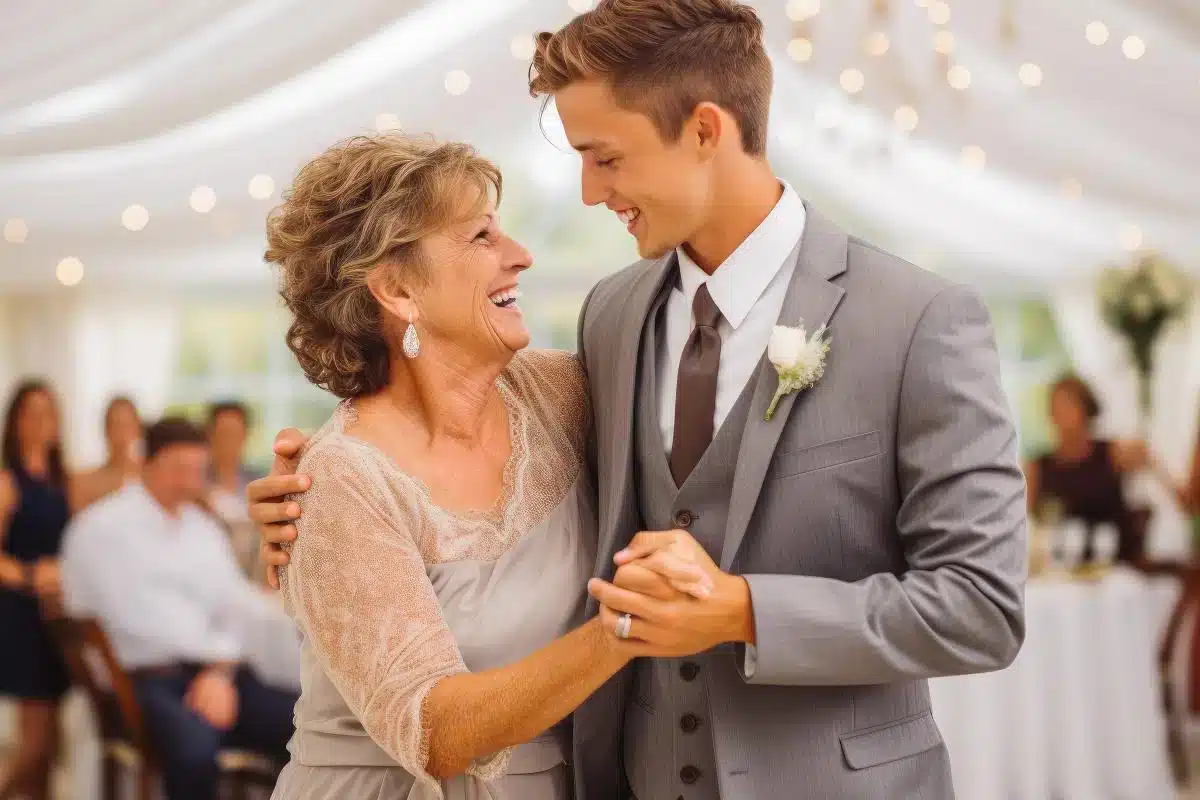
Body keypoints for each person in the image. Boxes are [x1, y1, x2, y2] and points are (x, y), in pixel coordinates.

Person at [252, 1, 1027, 798]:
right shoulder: (613, 320)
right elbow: (413, 460)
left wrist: (743, 610)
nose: (590, 194)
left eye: (606, 157)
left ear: (704, 130)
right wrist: (305, 510)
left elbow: (982, 607)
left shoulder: (918, 319)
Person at [250, 133, 708, 800]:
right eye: (481, 237)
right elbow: (436, 734)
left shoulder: (562, 396)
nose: (520, 256)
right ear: (397, 288)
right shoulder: (342, 479)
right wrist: (625, 628)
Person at [60, 418, 298, 800]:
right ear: (146, 463)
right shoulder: (102, 528)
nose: (190, 482)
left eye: (196, 470)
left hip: (219, 673)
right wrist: (214, 666)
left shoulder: (202, 528)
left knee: (303, 724)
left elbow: (233, 604)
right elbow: (134, 622)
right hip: (144, 681)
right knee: (194, 752)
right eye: (179, 470)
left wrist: (219, 672)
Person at [0, 381, 72, 800]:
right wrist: (32, 576)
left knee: (50, 747)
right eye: (31, 412)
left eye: (49, 412)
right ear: (15, 421)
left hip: (55, 619)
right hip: (20, 617)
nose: (41, 421)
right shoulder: (8, 481)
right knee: (36, 742)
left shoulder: (62, 479)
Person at [1025, 375, 1149, 562]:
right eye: (1056, 407)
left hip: (1114, 565)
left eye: (1069, 406)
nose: (1062, 414)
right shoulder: (1037, 466)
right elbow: (1026, 522)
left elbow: (1148, 461)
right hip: (1061, 569)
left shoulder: (1113, 453)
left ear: (1087, 410)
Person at [205, 401, 264, 578]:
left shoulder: (258, 482)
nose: (228, 442)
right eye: (222, 434)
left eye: (234, 434)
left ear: (245, 435)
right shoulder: (195, 485)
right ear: (209, 435)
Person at [73, 395, 143, 510]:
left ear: (138, 429)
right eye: (115, 425)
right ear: (106, 430)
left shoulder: (149, 479)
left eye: (127, 425)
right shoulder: (85, 482)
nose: (122, 434)